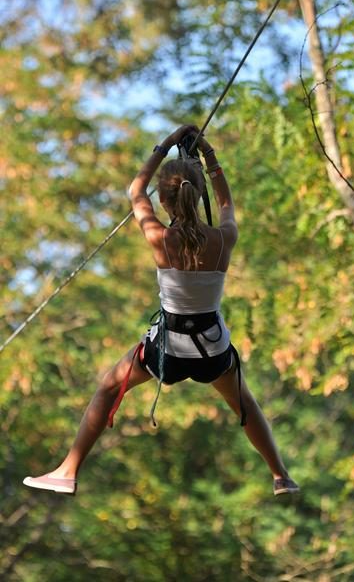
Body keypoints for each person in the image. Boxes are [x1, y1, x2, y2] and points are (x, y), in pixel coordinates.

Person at [23, 124, 299, 497]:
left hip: (168, 350)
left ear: (165, 201)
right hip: (212, 349)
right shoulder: (223, 239)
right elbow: (227, 207)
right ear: (197, 193)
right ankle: (280, 475)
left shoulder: (158, 237)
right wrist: (209, 154)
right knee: (244, 403)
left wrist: (165, 146)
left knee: (108, 387)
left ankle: (68, 470)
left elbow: (136, 190)